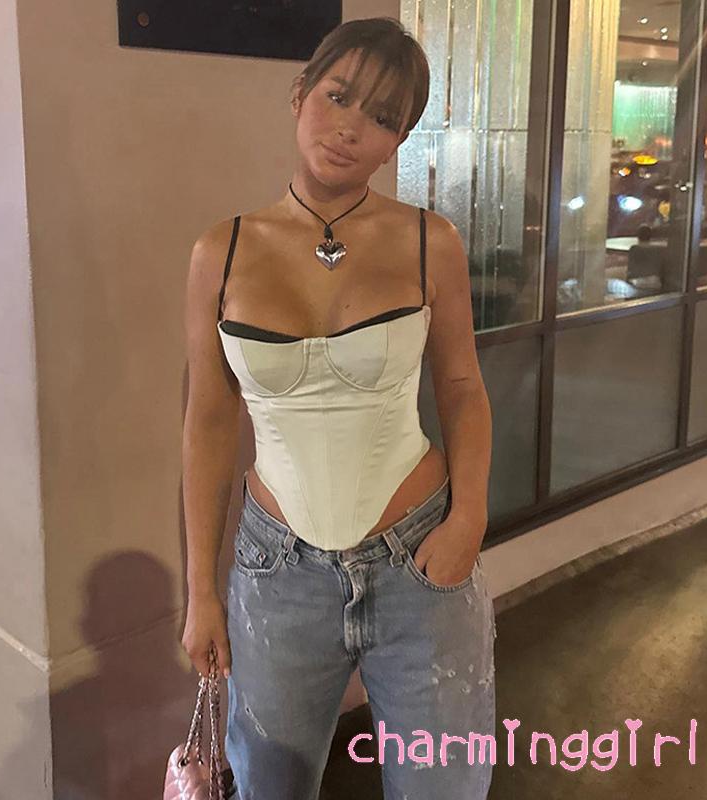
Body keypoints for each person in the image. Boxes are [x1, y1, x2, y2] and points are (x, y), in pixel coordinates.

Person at [181, 17, 496, 800]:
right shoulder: (220, 250)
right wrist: (201, 592)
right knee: (269, 787)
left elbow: (461, 387)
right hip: (276, 572)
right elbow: (209, 422)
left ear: (398, 143)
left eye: (383, 117)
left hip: (419, 559)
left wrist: (469, 519)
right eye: (338, 96)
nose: (351, 128)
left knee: (443, 788)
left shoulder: (430, 241)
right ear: (300, 95)